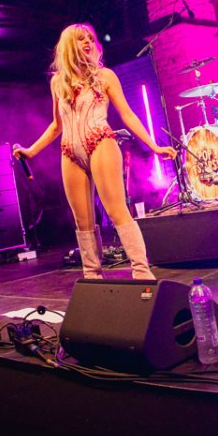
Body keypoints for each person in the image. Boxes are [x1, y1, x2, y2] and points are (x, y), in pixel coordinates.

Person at [14, 23, 177, 280]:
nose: (88, 42)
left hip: (100, 142)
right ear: (69, 46)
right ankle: (92, 274)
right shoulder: (58, 82)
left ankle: (141, 269)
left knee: (115, 210)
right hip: (69, 151)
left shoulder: (105, 76)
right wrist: (30, 151)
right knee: (82, 220)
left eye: (90, 38)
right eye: (81, 39)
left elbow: (128, 115)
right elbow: (56, 125)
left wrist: (153, 146)